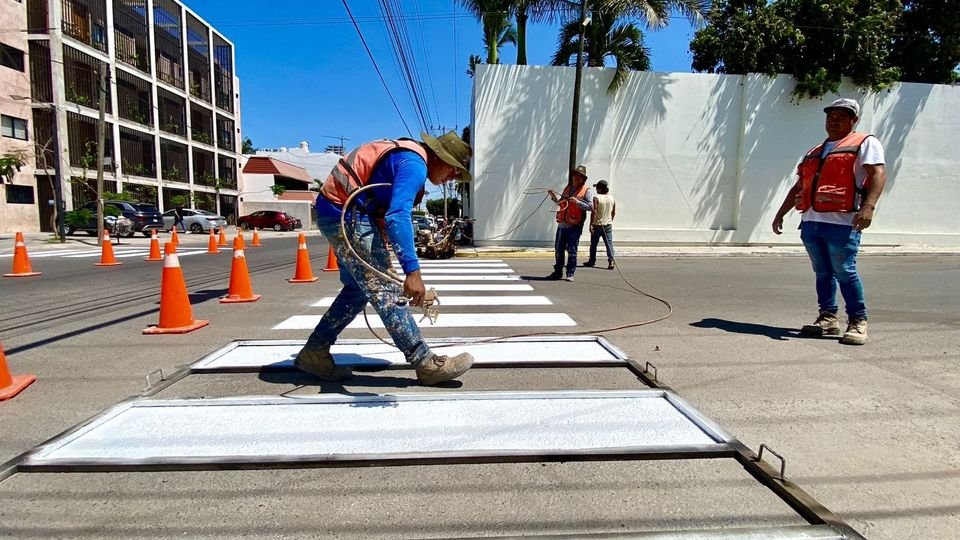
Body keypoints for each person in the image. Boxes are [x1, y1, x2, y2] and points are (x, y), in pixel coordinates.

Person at [295, 131, 475, 385]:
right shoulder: (414, 165)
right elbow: (398, 215)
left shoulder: (407, 157)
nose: (453, 176)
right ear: (438, 156)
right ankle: (424, 362)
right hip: (345, 214)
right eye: (453, 168)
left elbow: (380, 200)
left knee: (357, 290)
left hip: (336, 212)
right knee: (386, 291)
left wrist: (379, 229)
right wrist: (412, 272)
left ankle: (315, 351)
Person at [772, 98, 887, 345]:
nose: (833, 121)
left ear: (853, 120)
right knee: (822, 273)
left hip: (842, 222)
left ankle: (858, 321)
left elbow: (877, 173)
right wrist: (781, 212)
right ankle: (828, 318)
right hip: (812, 221)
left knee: (844, 271)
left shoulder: (864, 143)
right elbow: (799, 186)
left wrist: (868, 207)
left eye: (841, 117)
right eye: (830, 117)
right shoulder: (815, 151)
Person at [547, 165, 594, 281]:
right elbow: (562, 203)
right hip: (562, 224)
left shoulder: (586, 191)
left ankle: (570, 273)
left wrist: (577, 202)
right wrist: (553, 197)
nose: (577, 178)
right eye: (576, 175)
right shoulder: (567, 188)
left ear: (583, 179)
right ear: (572, 176)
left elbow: (591, 207)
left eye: (580, 176)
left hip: (574, 226)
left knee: (572, 250)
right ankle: (557, 272)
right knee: (558, 249)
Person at [583, 179, 616, 270]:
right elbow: (613, 212)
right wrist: (610, 220)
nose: (596, 189)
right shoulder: (612, 198)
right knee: (609, 244)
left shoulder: (596, 198)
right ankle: (611, 261)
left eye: (597, 187)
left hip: (597, 224)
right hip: (608, 225)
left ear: (600, 189)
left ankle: (592, 260)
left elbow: (594, 212)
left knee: (593, 244)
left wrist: (591, 224)